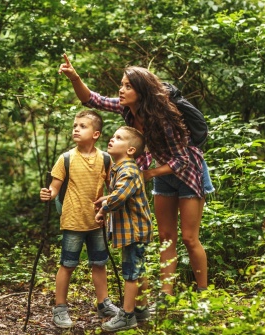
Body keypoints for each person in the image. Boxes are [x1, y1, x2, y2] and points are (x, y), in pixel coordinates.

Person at [58, 54, 215, 298]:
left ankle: (203, 293)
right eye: (121, 85)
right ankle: (166, 296)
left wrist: (147, 173)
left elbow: (183, 159)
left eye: (128, 86)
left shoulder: (162, 117)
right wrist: (74, 76)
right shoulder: (127, 110)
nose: (121, 90)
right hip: (163, 171)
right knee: (166, 236)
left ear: (141, 91)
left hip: (190, 172)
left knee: (189, 237)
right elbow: (91, 99)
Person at [40, 110, 118, 329]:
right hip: (73, 221)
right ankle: (60, 308)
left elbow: (113, 188)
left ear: (96, 134)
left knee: (99, 263)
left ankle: (104, 303)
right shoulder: (65, 159)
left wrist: (110, 205)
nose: (76, 129)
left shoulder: (106, 158)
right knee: (67, 264)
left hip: (97, 221)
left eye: (82, 126)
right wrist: (48, 193)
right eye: (75, 125)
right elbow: (54, 189)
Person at [94, 126, 153, 332]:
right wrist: (104, 208)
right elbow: (117, 197)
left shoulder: (128, 170)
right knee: (138, 270)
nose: (112, 139)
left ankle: (128, 316)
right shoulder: (119, 169)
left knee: (131, 273)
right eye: (113, 136)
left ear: (130, 150)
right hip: (132, 231)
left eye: (118, 138)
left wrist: (104, 205)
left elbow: (118, 198)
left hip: (134, 232)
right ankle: (142, 309)